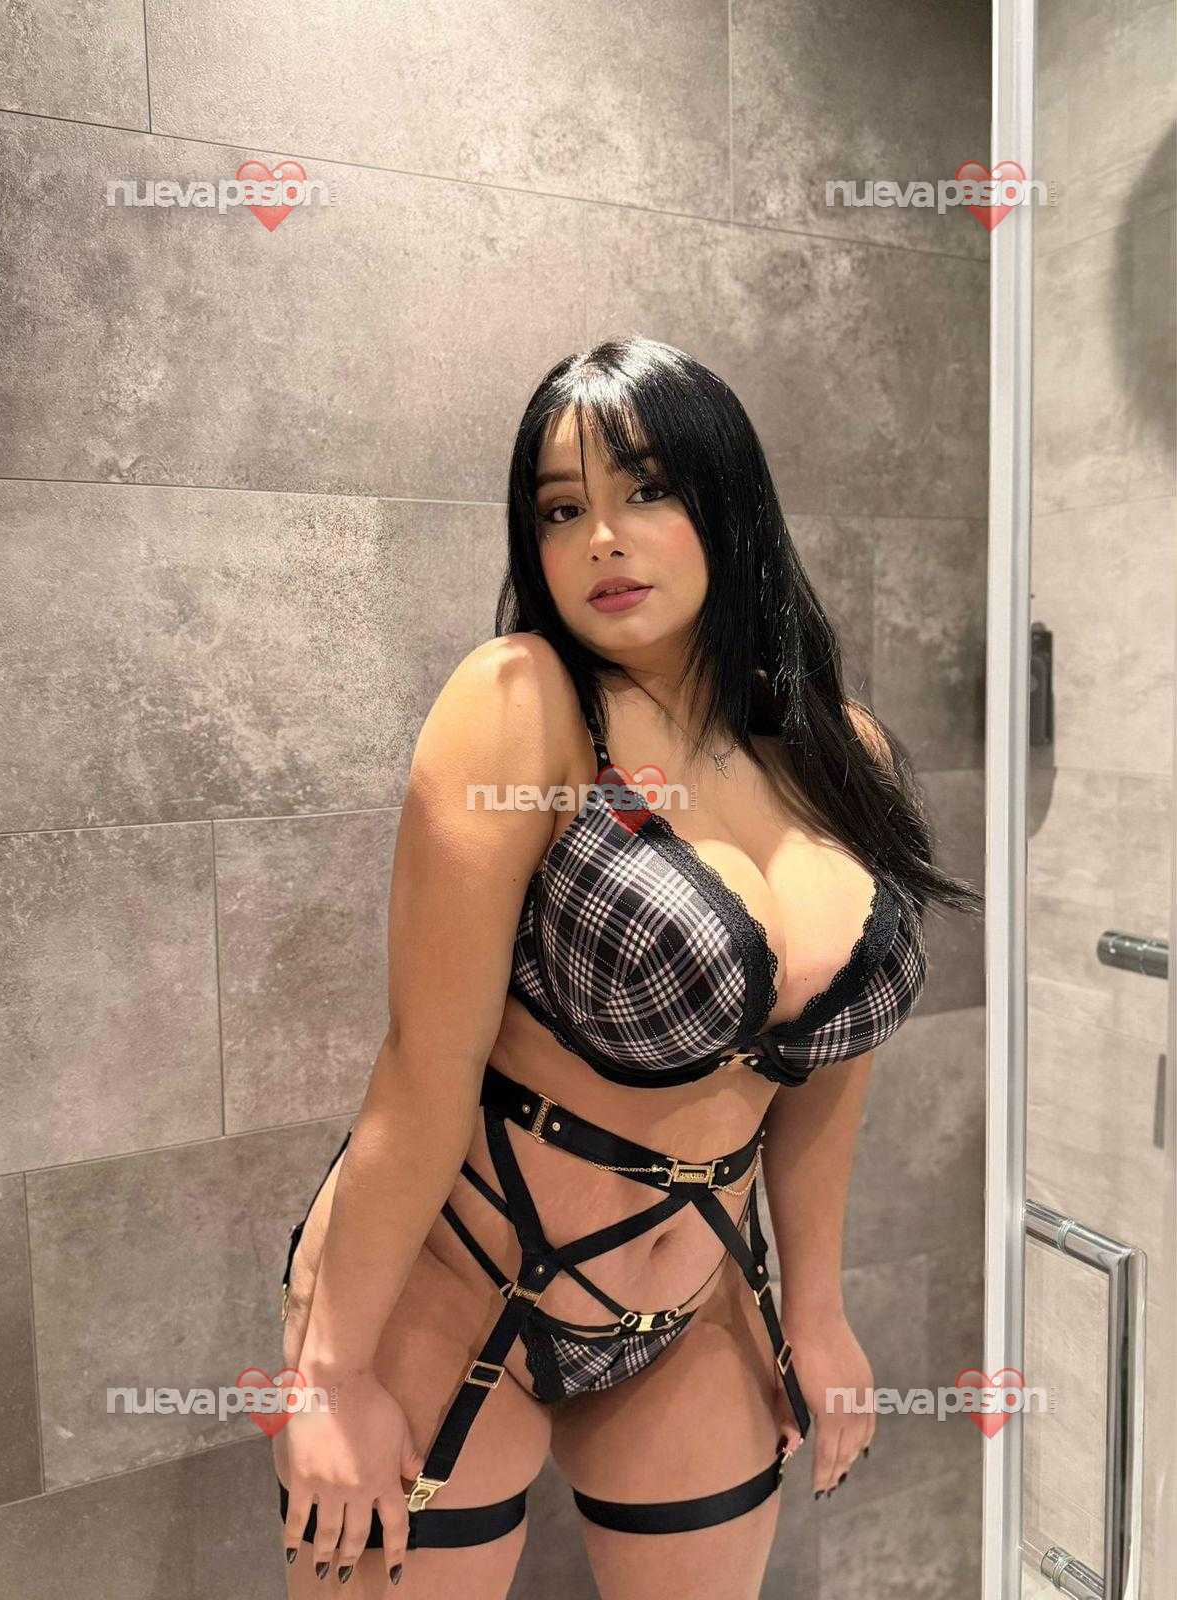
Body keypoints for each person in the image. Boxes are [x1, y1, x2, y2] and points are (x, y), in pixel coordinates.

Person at [271, 336, 981, 1596]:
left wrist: (817, 1312)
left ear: (727, 498)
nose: (601, 537)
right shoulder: (520, 703)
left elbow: (827, 1071)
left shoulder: (839, 749)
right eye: (561, 508)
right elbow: (422, 1071)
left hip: (699, 1297)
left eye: (646, 489)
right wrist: (329, 1372)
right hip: (453, 1281)